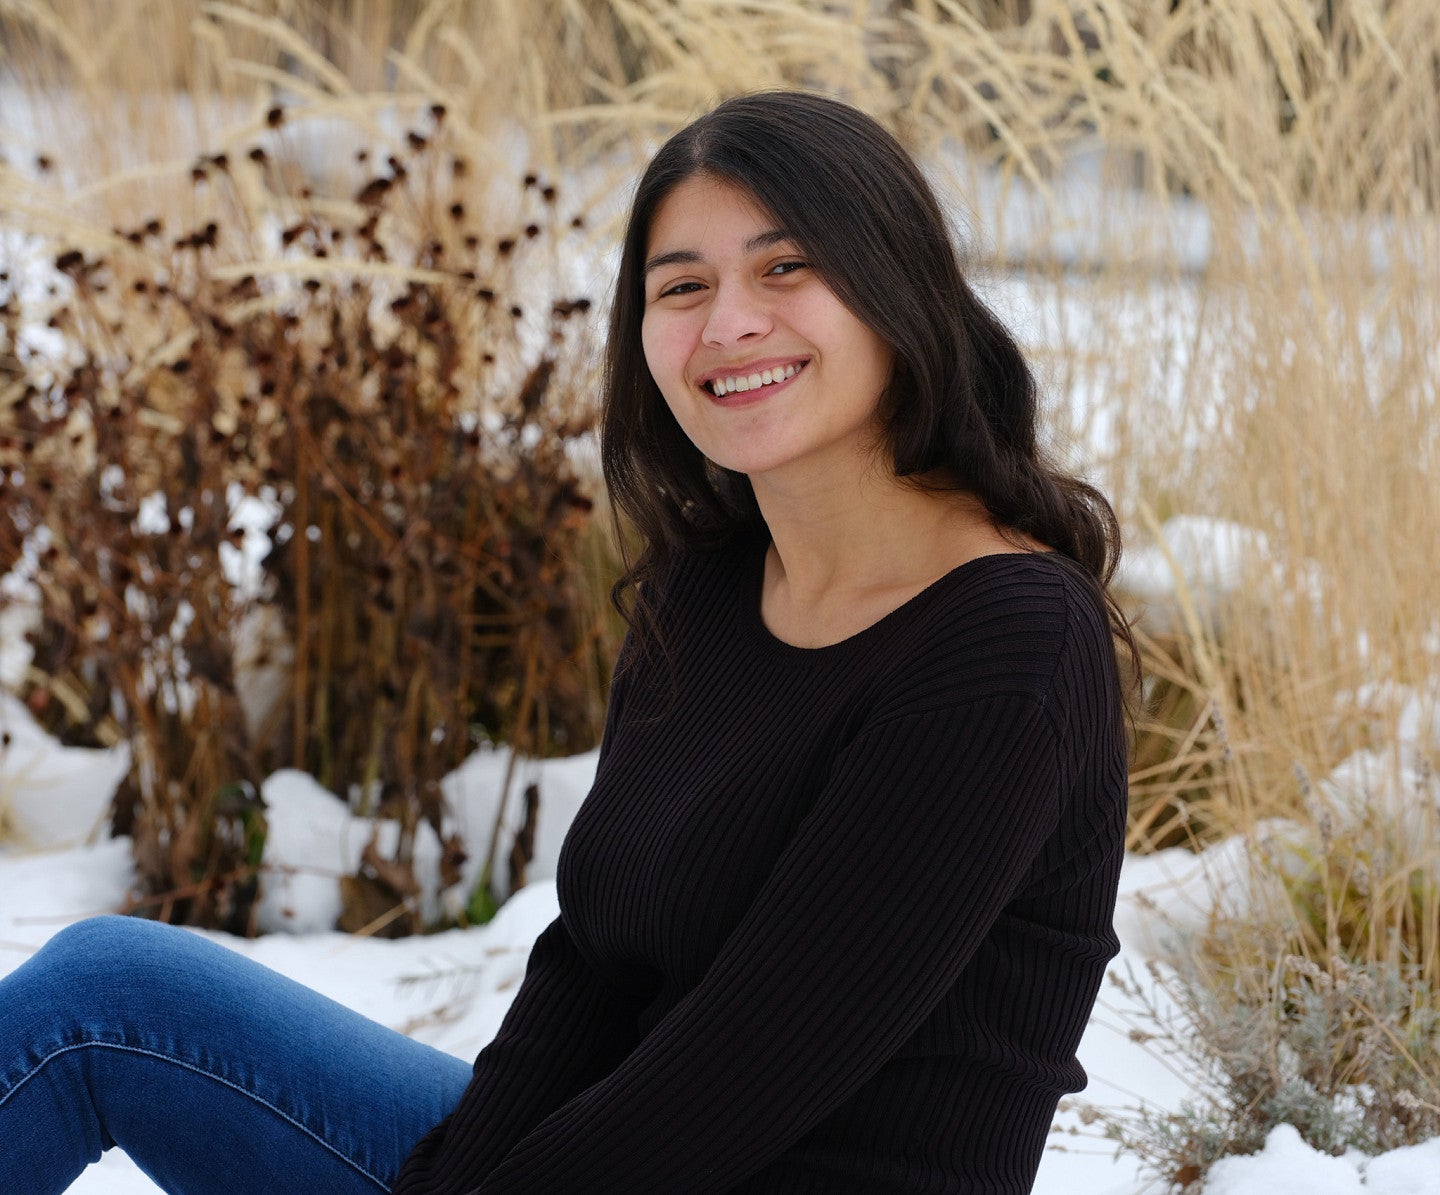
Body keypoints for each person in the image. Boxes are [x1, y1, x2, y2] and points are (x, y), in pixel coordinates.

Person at [0, 91, 1131, 1194]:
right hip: (593, 1156)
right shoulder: (712, 590)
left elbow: (732, 1083)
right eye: (682, 285)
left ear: (898, 289)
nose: (730, 322)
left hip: (704, 1161)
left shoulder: (1004, 651)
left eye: (786, 267)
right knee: (105, 999)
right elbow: (588, 967)